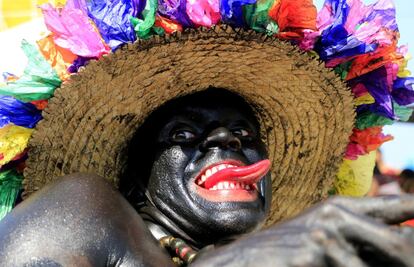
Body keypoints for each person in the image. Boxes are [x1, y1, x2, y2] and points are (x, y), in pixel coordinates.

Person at [1, 0, 414, 266]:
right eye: (182, 136)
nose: (228, 141)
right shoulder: (87, 206)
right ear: (134, 182)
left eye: (245, 135)